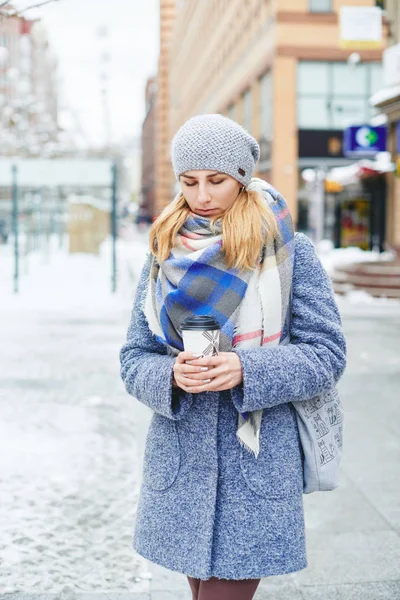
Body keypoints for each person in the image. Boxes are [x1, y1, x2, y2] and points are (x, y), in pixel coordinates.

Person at [120, 114, 346, 600]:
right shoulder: (164, 251)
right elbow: (134, 357)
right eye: (189, 181)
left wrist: (247, 369)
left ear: (241, 178)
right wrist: (171, 375)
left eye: (216, 180)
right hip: (182, 465)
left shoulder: (288, 251)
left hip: (256, 463)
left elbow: (327, 354)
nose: (202, 195)